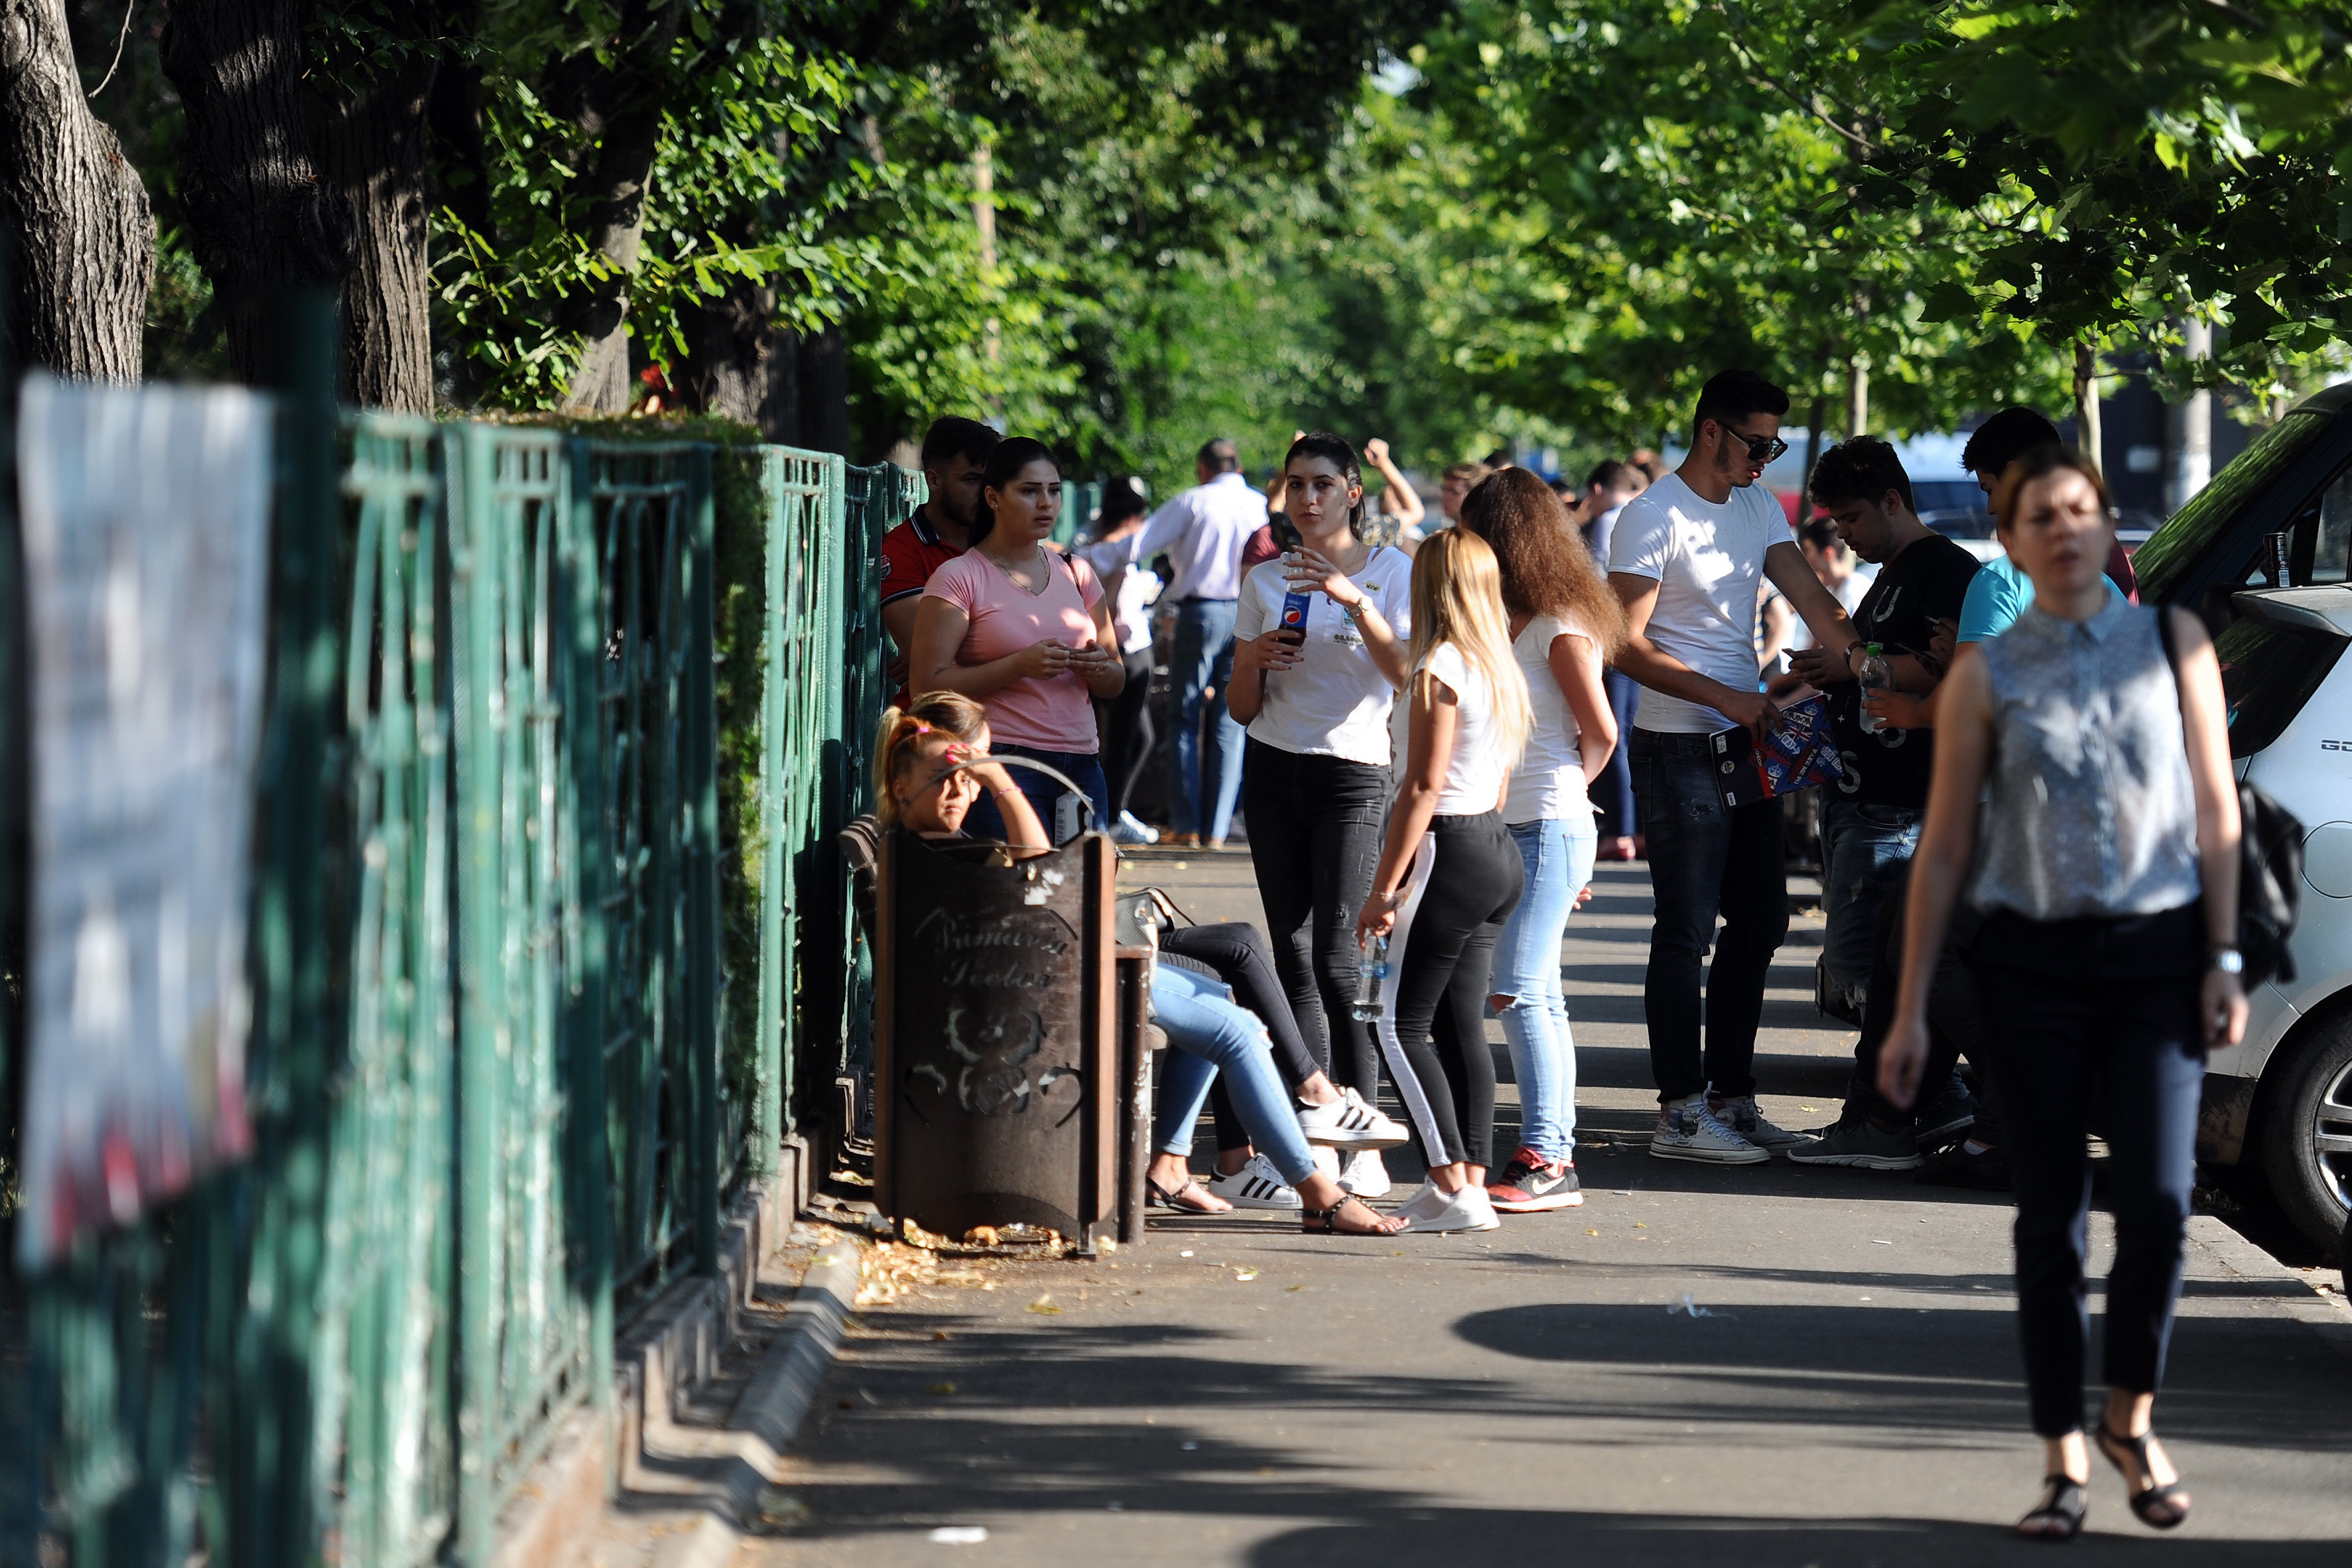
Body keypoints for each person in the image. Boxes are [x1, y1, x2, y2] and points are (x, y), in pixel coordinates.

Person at [1876, 446, 2242, 1539]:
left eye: (2082, 508)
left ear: (2106, 525)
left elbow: (2217, 808)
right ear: (2017, 538)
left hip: (2157, 960)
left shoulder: (2173, 642)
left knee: (2164, 1208)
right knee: (2051, 1220)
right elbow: (1942, 846)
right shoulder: (1986, 673)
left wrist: (2222, 955)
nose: (2065, 527)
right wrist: (1905, 1009)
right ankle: (2062, 1460)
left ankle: (2129, 1414)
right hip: (2030, 966)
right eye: (2043, 514)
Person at [868, 696, 1405, 1237]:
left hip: (1052, 977)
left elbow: (1038, 883)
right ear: (900, 787)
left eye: (972, 774)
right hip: (1048, 990)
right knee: (1238, 1031)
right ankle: (1321, 1193)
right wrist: (1003, 784)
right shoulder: (928, 856)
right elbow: (1039, 868)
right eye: (950, 775)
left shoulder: (939, 845)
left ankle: (1171, 1163)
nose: (964, 790)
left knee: (1220, 994)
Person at [1606, 369, 1864, 1163]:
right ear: (1711, 431)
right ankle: (1680, 1111)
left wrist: (1863, 658)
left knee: (1761, 920)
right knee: (1685, 930)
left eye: (1777, 444)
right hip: (1679, 742)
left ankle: (1731, 1096)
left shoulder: (1756, 505)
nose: (1768, 459)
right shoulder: (1651, 516)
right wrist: (1729, 696)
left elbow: (1813, 598)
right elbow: (1622, 642)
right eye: (1758, 443)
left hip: (1743, 737)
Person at [1774, 437, 1983, 1169]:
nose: (1844, 534)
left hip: (1900, 807)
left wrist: (1851, 663)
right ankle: (1909, 1110)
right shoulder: (1893, 574)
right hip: (1865, 800)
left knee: (1873, 976)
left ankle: (1906, 1111)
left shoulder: (1948, 572)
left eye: (1853, 518)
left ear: (1895, 501)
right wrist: (1830, 676)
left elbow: (1950, 671)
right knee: (1865, 974)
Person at [1228, 432, 1416, 1199]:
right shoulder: (1264, 579)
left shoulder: (1394, 573)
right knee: (1293, 955)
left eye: (1324, 486)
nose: (1308, 500)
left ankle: (1365, 1130)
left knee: (1343, 959)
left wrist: (1354, 601)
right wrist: (1253, 659)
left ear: (1353, 493)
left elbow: (1407, 673)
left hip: (1353, 776)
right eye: (1296, 486)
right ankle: (1318, 1125)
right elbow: (1243, 708)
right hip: (1274, 770)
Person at [1456, 471, 1625, 1213]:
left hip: (1548, 821)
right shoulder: (1505, 619)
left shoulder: (1560, 622)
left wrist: (1571, 818)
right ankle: (1549, 1150)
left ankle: (1549, 1156)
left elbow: (1602, 733)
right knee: (1535, 993)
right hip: (1511, 823)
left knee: (1519, 992)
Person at [1355, 529, 1531, 1234]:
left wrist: (1381, 888)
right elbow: (1495, 775)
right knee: (1460, 1027)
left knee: (1399, 1026)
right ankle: (1469, 1182)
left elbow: (1422, 788)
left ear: (1434, 588)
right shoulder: (1497, 665)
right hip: (1491, 846)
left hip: (1450, 848)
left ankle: (1449, 1179)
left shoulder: (1440, 667)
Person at [911, 438, 1123, 839]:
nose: (1046, 503)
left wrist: (1099, 668)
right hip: (1002, 761)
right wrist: (1018, 666)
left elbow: (1116, 678)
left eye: (1054, 490)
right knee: (1018, 896)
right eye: (1029, 491)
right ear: (993, 497)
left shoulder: (1077, 572)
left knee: (1084, 897)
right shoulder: (960, 576)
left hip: (1082, 762)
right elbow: (926, 686)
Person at [1088, 438, 1265, 848]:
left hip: (1200, 614)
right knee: (1229, 721)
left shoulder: (1194, 501)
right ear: (1237, 467)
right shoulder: (1258, 504)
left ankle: (1186, 825)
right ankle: (1218, 830)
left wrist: (1086, 560)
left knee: (1184, 718)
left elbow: (1136, 545)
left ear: (1203, 468)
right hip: (1248, 612)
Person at [878, 417, 1000, 708]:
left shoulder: (1006, 537)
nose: (986, 494)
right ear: (934, 479)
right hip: (938, 725)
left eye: (991, 481)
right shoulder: (900, 549)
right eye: (971, 480)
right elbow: (935, 659)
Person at [1077, 476, 1162, 844]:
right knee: (1124, 739)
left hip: (1130, 650)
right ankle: (1109, 816)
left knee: (1135, 737)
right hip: (1123, 653)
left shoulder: (1091, 550)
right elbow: (1105, 609)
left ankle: (1114, 811)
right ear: (1132, 517)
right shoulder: (1106, 555)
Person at [1581, 460, 1647, 862]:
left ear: (1600, 489)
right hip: (1644, 641)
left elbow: (1597, 582)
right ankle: (1636, 830)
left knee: (1615, 735)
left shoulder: (1608, 521)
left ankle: (1621, 830)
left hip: (1614, 641)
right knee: (1630, 734)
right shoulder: (1641, 518)